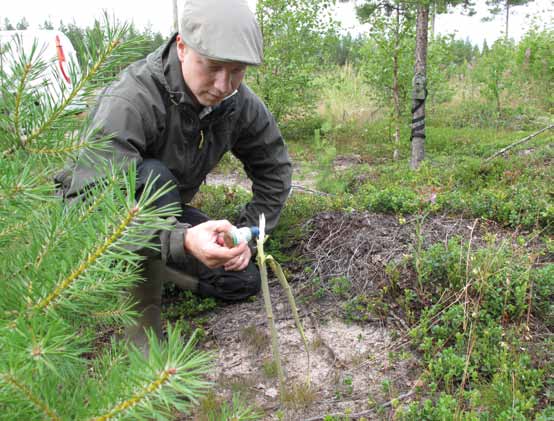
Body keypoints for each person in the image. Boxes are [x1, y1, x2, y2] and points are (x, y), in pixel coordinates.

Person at [58, 0, 292, 350]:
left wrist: (246, 234)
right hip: (95, 223)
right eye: (212, 67)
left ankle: (157, 268)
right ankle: (143, 341)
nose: (223, 84)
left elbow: (274, 169)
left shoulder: (237, 102)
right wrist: (181, 241)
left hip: (163, 218)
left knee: (241, 281)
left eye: (237, 71)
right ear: (182, 47)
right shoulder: (132, 100)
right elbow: (86, 205)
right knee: (155, 177)